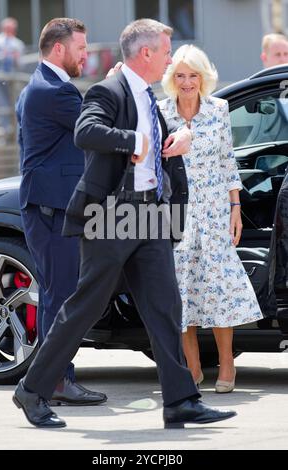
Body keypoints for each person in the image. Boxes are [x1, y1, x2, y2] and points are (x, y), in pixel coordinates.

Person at [12, 18, 236, 429]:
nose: (170, 59)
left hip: (148, 214)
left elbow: (156, 151)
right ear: (147, 53)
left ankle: (181, 401)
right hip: (113, 215)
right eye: (166, 52)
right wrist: (136, 141)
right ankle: (32, 389)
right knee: (84, 306)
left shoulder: (148, 96)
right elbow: (86, 130)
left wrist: (174, 144)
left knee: (165, 307)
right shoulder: (108, 90)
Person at [160, 44, 263, 393]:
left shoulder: (218, 109)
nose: (187, 82)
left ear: (203, 78)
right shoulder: (162, 113)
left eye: (193, 75)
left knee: (220, 289)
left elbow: (227, 161)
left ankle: (227, 363)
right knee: (182, 290)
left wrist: (236, 209)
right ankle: (192, 368)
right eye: (180, 75)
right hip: (178, 217)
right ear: (172, 79)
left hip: (215, 213)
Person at [16, 18, 106, 406]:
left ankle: (54, 378)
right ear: (58, 49)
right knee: (61, 298)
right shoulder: (53, 92)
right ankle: (54, 380)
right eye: (81, 48)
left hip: (51, 207)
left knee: (62, 295)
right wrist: (114, 88)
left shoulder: (43, 86)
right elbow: (96, 126)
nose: (86, 55)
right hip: (52, 210)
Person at [0, 17, 25, 138]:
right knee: (2, 104)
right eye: (8, 28)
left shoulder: (18, 44)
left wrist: (16, 58)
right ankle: (6, 130)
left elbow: (21, 65)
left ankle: (15, 130)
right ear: (2, 28)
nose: (10, 31)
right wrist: (2, 55)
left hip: (13, 79)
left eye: (12, 29)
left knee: (15, 104)